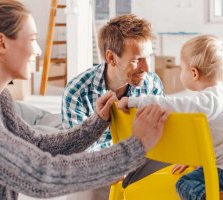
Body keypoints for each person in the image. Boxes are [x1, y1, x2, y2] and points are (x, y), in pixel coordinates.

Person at [0, 1, 169, 199]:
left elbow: (38, 145)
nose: (38, 51)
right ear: (1, 43)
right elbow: (41, 174)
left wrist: (97, 122)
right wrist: (135, 146)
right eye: (33, 39)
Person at [118, 35, 223, 200]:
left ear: (194, 73)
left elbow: (174, 105)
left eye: (182, 68)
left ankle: (221, 198)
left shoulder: (208, 101)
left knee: (185, 184)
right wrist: (193, 158)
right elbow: (219, 141)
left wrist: (136, 101)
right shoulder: (222, 97)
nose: (181, 72)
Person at [62, 14, 168, 189]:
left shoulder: (152, 83)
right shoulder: (76, 92)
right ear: (111, 58)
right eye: (137, 60)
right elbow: (79, 156)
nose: (147, 68)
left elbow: (162, 137)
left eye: (148, 57)